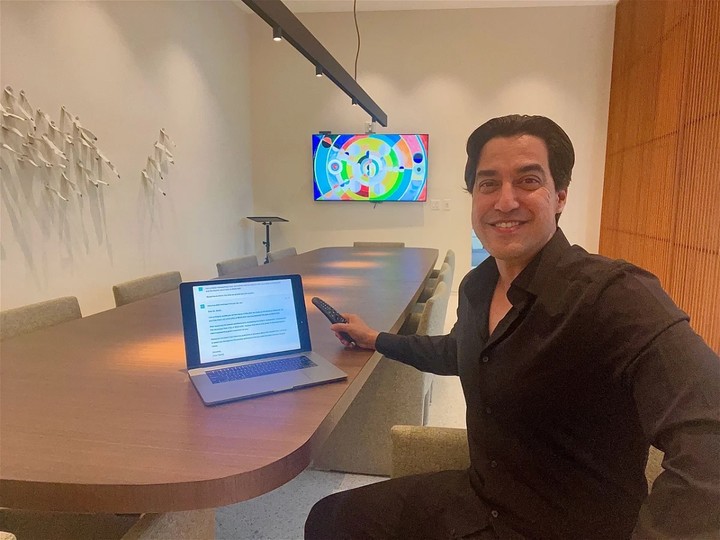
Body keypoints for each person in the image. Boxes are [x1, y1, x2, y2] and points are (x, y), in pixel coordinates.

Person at [304, 115, 720, 539]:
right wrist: (376, 339)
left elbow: (710, 432)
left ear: (559, 196)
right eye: (488, 183)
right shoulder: (478, 287)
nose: (505, 201)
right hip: (482, 500)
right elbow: (458, 351)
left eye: (528, 181)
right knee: (331, 519)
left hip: (568, 526)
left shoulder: (614, 295)